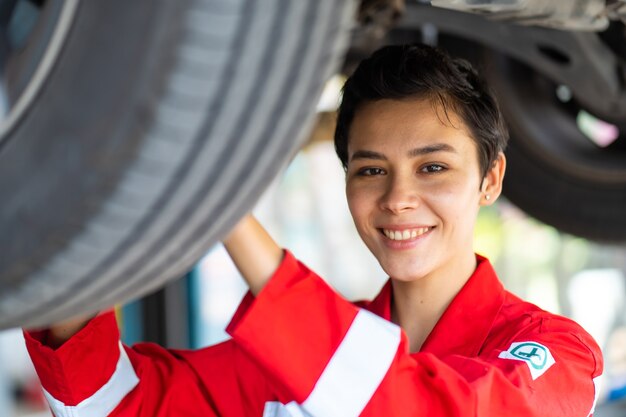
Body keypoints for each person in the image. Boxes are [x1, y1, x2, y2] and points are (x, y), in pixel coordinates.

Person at [24, 44, 602, 417]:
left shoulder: (555, 353)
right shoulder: (302, 353)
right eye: (371, 169)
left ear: (490, 179)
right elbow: (116, 405)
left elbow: (418, 404)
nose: (399, 198)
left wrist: (219, 203)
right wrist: (69, 216)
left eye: (433, 167)